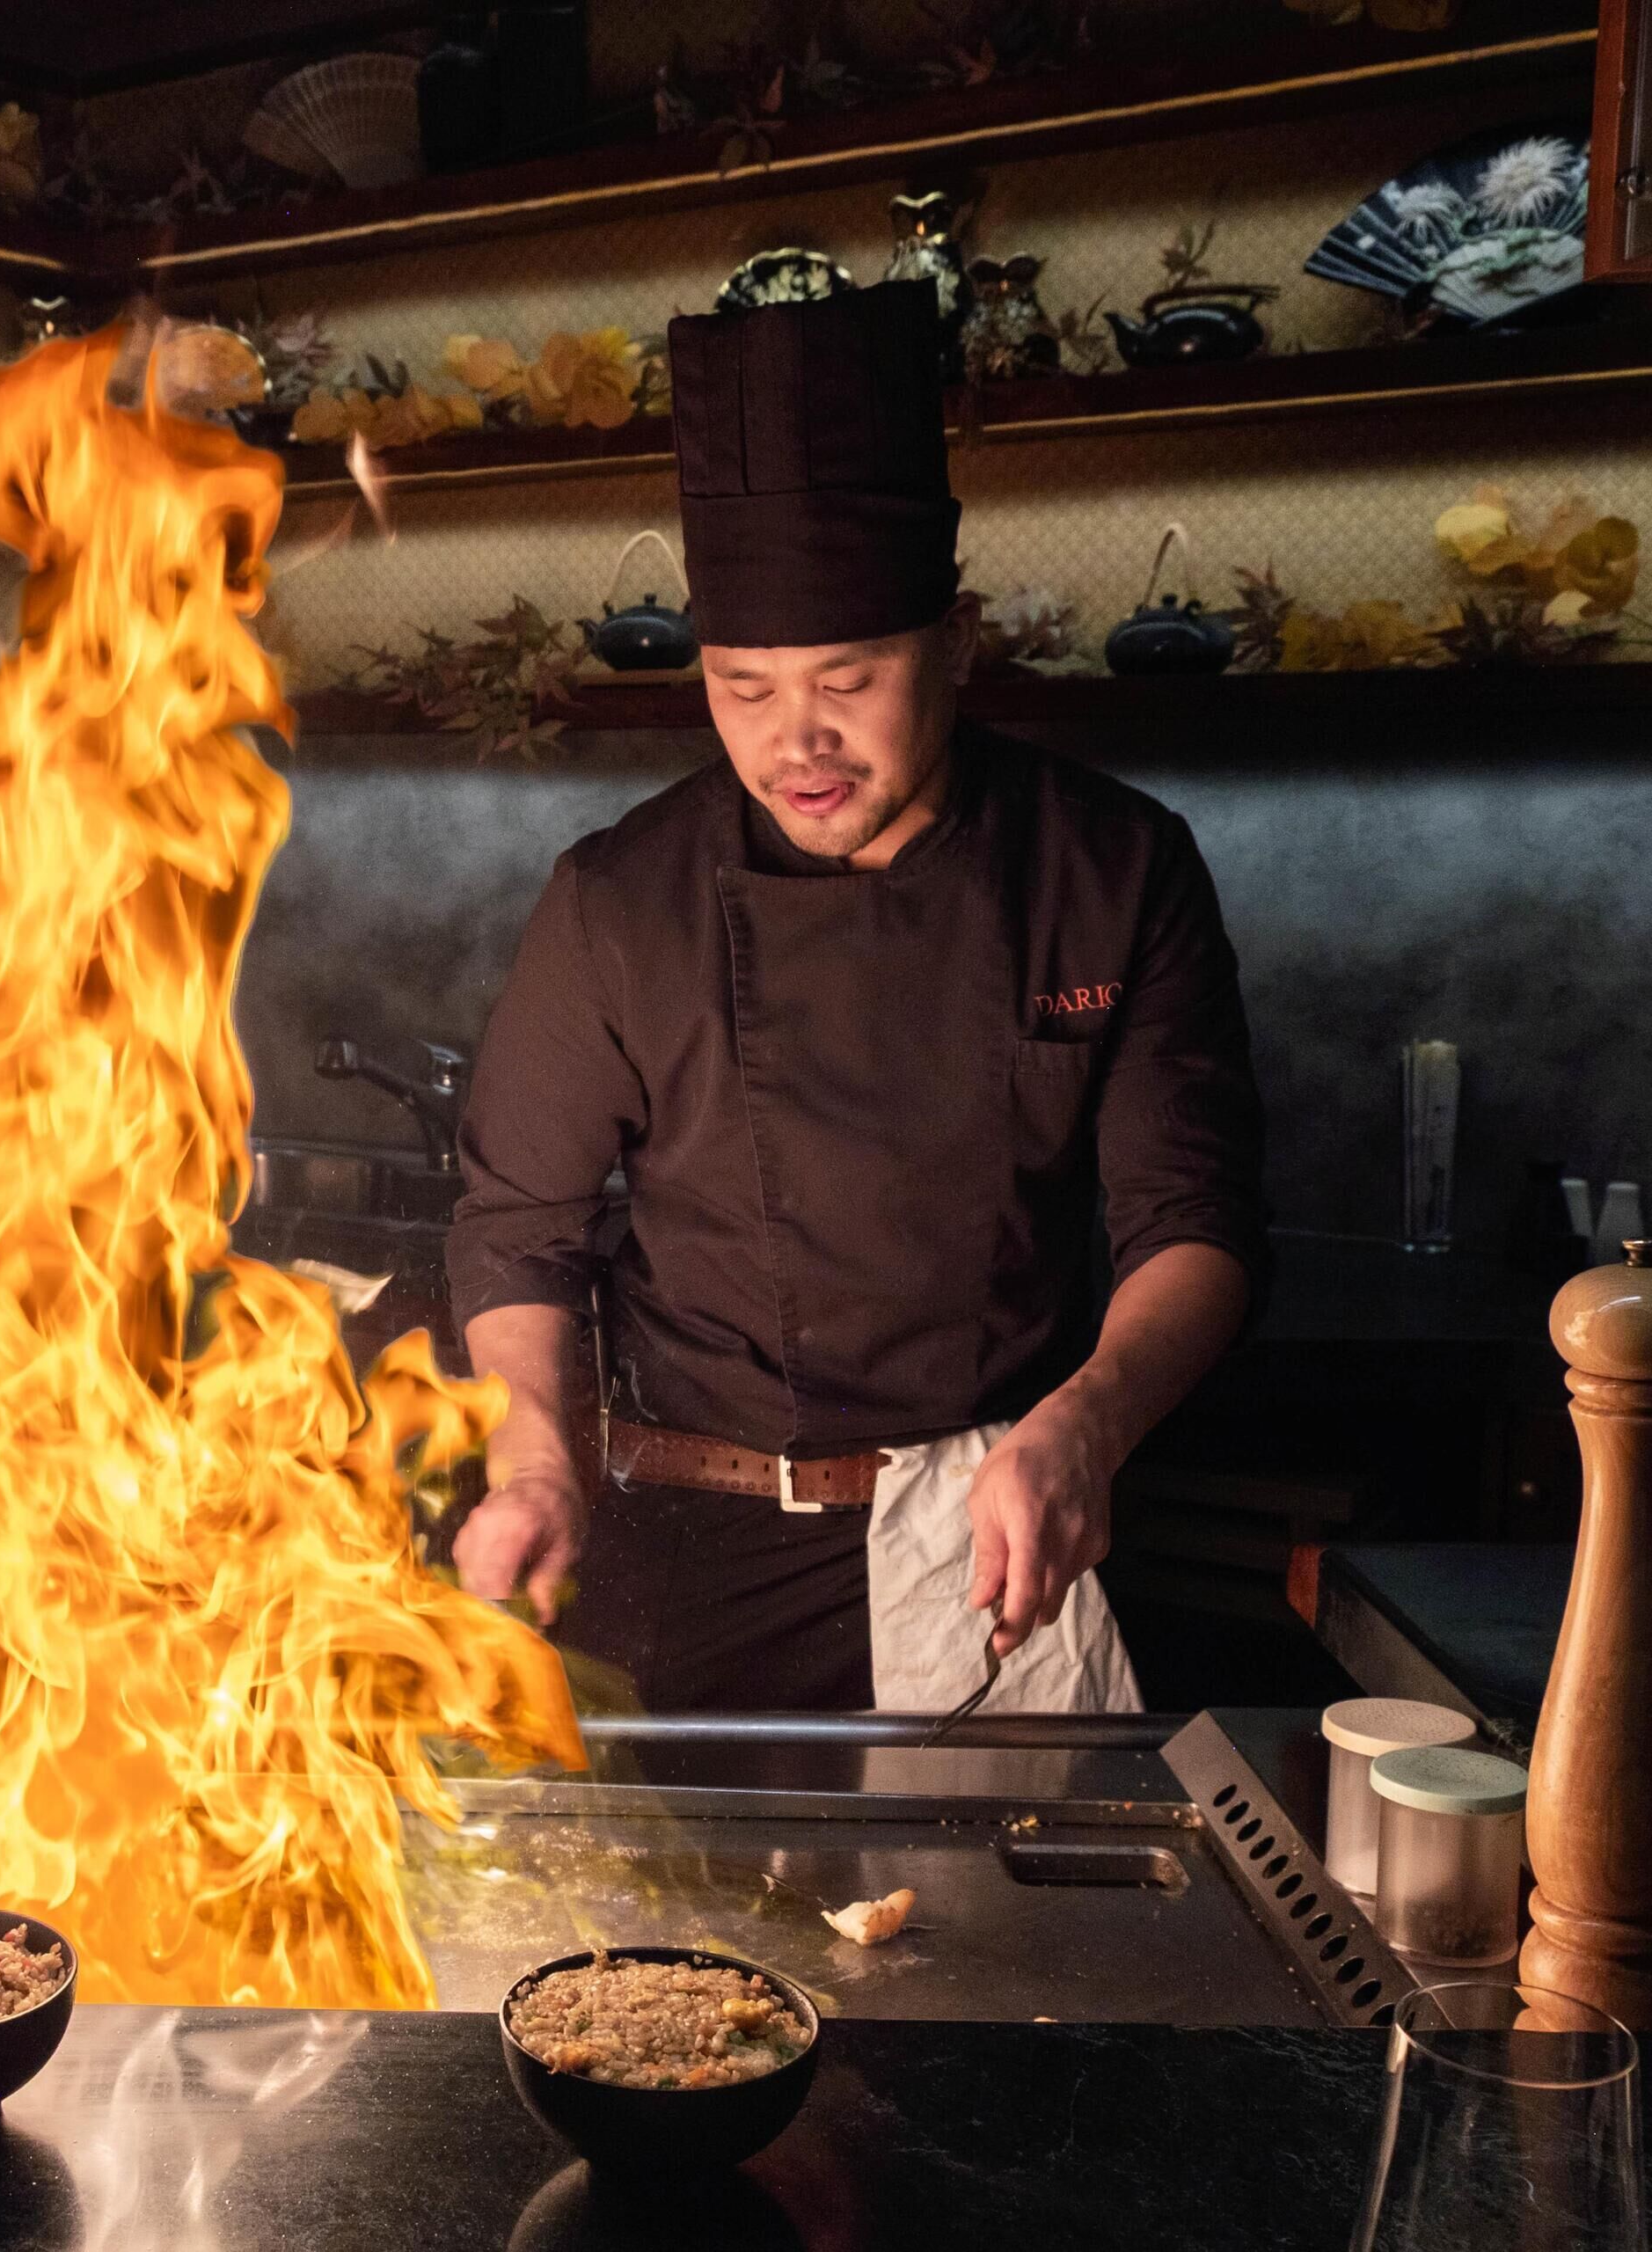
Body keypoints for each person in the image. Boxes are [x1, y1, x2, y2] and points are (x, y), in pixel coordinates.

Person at [443, 280, 1268, 1716]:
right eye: (744, 689)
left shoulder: (1112, 867)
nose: (797, 740)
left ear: (951, 644)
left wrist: (1088, 1424)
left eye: (849, 679)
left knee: (987, 1936)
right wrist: (532, 1469)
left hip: (991, 1543)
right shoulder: (620, 899)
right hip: (684, 1545)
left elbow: (1193, 1222)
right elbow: (519, 1234)